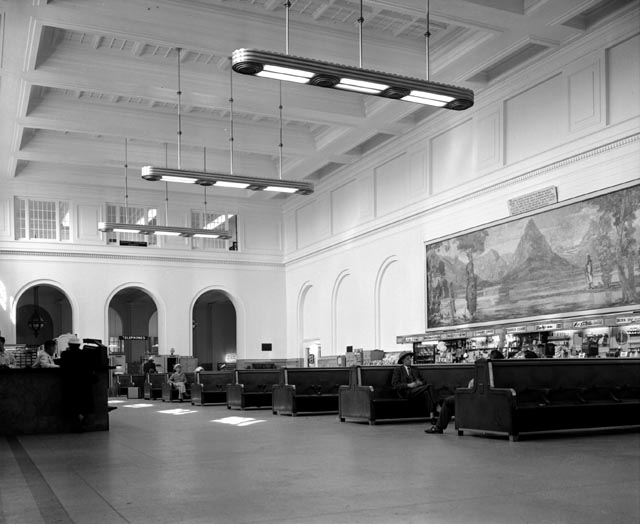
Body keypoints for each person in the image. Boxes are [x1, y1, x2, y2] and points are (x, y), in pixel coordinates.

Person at [425, 349, 504, 434]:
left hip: (478, 398)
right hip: (491, 399)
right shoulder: (501, 371)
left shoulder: (486, 369)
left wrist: (471, 384)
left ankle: (438, 427)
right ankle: (440, 425)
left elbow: (475, 385)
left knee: (448, 401)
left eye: (489, 357)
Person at [60, 336, 97, 430]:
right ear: (79, 345)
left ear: (69, 345)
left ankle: (76, 422)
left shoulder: (65, 354)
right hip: (84, 384)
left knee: (73, 404)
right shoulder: (86, 354)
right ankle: (81, 420)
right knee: (83, 404)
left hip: (71, 384)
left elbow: (63, 368)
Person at [391, 352, 433, 416]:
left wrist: (420, 383)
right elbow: (395, 384)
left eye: (410, 358)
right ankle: (437, 406)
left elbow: (424, 381)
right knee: (429, 386)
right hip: (405, 392)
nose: (410, 360)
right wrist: (408, 385)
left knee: (426, 393)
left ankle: (431, 414)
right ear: (403, 360)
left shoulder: (415, 369)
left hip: (416, 390)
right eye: (408, 359)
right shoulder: (398, 370)